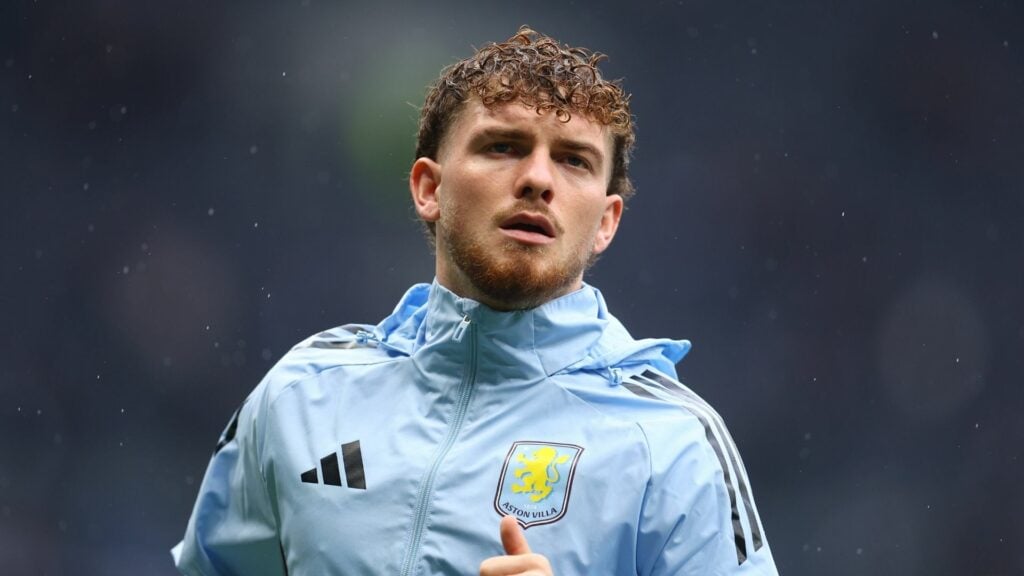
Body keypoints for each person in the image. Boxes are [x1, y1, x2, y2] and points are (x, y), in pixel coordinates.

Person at [172, 26, 779, 576]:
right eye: (504, 147)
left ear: (606, 222)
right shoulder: (303, 394)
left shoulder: (672, 442)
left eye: (573, 160)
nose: (538, 178)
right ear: (429, 188)